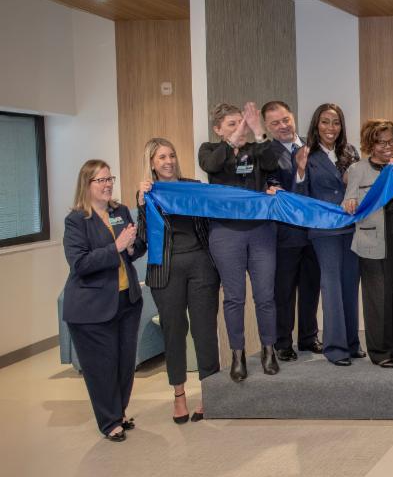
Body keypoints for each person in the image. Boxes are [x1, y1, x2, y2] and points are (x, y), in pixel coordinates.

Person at [136, 138, 219, 424]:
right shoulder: (148, 194)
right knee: (173, 332)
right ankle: (179, 395)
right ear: (152, 164)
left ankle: (210, 393)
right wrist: (142, 204)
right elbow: (144, 239)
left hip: (201, 266)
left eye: (171, 155)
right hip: (165, 272)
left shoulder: (192, 187)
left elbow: (211, 222)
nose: (169, 161)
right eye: (161, 157)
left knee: (204, 330)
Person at [63, 160, 145, 443]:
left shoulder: (120, 211)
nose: (108, 184)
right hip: (91, 307)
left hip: (127, 300)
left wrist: (132, 246)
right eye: (101, 180)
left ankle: (119, 412)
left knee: (124, 363)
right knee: (101, 367)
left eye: (110, 178)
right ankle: (109, 421)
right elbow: (80, 263)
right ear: (87, 185)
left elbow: (133, 251)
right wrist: (117, 247)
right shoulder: (76, 220)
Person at [198, 101, 281, 380]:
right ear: (218, 129)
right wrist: (232, 141)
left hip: (261, 232)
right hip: (226, 233)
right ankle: (238, 354)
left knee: (265, 296)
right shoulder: (210, 150)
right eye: (233, 124)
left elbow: (273, 164)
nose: (240, 129)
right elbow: (212, 166)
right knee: (234, 298)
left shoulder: (256, 149)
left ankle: (269, 350)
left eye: (242, 122)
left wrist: (258, 132)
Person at [294, 103, 363, 366]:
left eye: (335, 122)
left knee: (349, 285)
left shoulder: (350, 152)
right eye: (325, 122)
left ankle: (352, 343)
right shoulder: (306, 155)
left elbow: (357, 188)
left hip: (350, 226)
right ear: (316, 124)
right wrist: (300, 171)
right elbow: (300, 198)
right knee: (331, 287)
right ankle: (335, 348)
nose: (330, 128)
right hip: (324, 230)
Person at [344, 119, 393, 368]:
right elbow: (349, 199)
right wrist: (350, 202)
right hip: (372, 240)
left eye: (391, 141)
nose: (387, 146)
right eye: (381, 142)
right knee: (378, 298)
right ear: (370, 143)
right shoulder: (358, 169)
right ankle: (380, 351)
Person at [261, 100, 321, 362]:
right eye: (275, 123)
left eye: (285, 119)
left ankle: (309, 338)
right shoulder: (266, 154)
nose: (283, 126)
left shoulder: (314, 144)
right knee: (283, 292)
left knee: (311, 288)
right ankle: (283, 342)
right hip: (285, 235)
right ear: (267, 127)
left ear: (293, 116)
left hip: (315, 233)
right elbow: (273, 188)